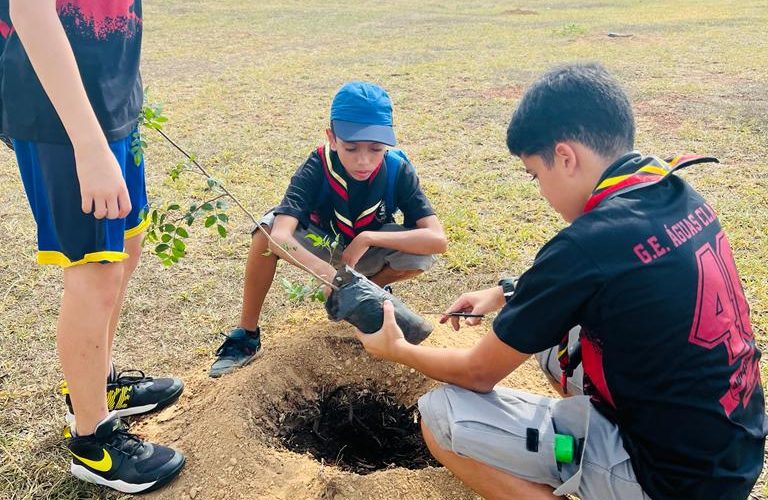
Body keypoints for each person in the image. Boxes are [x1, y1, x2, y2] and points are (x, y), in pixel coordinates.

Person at [354, 63, 766, 499]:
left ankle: (595, 465)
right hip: (729, 454)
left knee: (440, 415)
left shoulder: (586, 243)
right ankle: (586, 449)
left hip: (669, 482)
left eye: (536, 174)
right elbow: (607, 277)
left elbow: (477, 374)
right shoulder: (675, 192)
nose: (541, 191)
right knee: (554, 344)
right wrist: (505, 293)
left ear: (565, 157)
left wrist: (396, 350)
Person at [1, 0, 184, 493]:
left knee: (129, 240)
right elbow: (31, 13)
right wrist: (88, 143)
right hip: (61, 118)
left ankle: (99, 385)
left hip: (110, 99)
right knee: (94, 268)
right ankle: (91, 439)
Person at [210, 81, 447, 378]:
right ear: (332, 139)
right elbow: (281, 235)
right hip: (322, 247)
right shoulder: (317, 166)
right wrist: (328, 274)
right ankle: (246, 335)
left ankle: (368, 289)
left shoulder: (397, 169)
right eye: (351, 148)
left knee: (419, 254)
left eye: (376, 149)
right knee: (265, 232)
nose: (364, 160)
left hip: (365, 252)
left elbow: (437, 240)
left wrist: (368, 237)